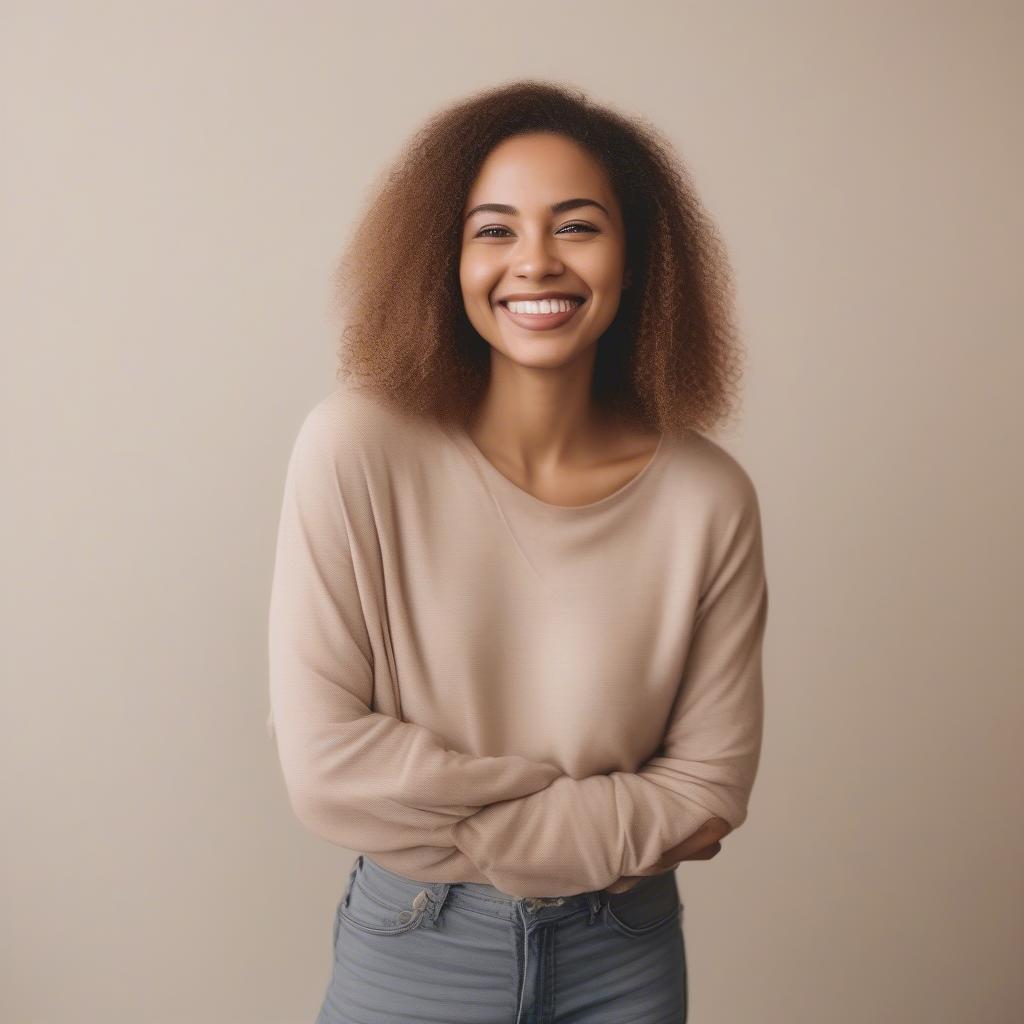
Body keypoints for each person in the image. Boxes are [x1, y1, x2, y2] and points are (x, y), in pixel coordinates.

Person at [267, 79, 768, 1024]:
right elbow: (326, 767)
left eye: (576, 226)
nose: (534, 263)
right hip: (420, 947)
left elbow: (708, 794)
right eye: (493, 229)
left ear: (637, 257)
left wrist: (441, 809)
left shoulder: (709, 498)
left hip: (624, 956)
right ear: (444, 258)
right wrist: (582, 809)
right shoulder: (354, 447)